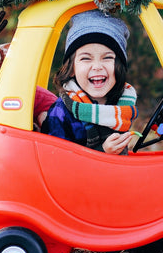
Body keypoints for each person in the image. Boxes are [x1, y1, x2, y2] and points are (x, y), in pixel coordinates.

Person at [41, 10, 138, 155]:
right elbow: (55, 160)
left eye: (107, 58)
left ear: (118, 66)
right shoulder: (62, 111)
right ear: (72, 68)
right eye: (86, 58)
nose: (97, 66)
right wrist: (102, 152)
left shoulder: (122, 104)